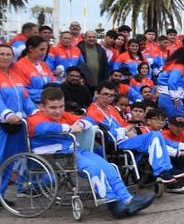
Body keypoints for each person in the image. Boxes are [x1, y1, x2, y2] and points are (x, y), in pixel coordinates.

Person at [27, 87, 154, 217]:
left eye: (61, 106)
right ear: (42, 106)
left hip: (73, 151)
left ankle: (127, 199)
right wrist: (70, 128)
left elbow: (90, 119)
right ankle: (113, 203)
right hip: (55, 156)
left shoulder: (63, 115)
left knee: (108, 167)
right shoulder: (35, 119)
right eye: (53, 108)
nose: (58, 111)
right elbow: (42, 128)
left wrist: (81, 124)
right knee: (94, 169)